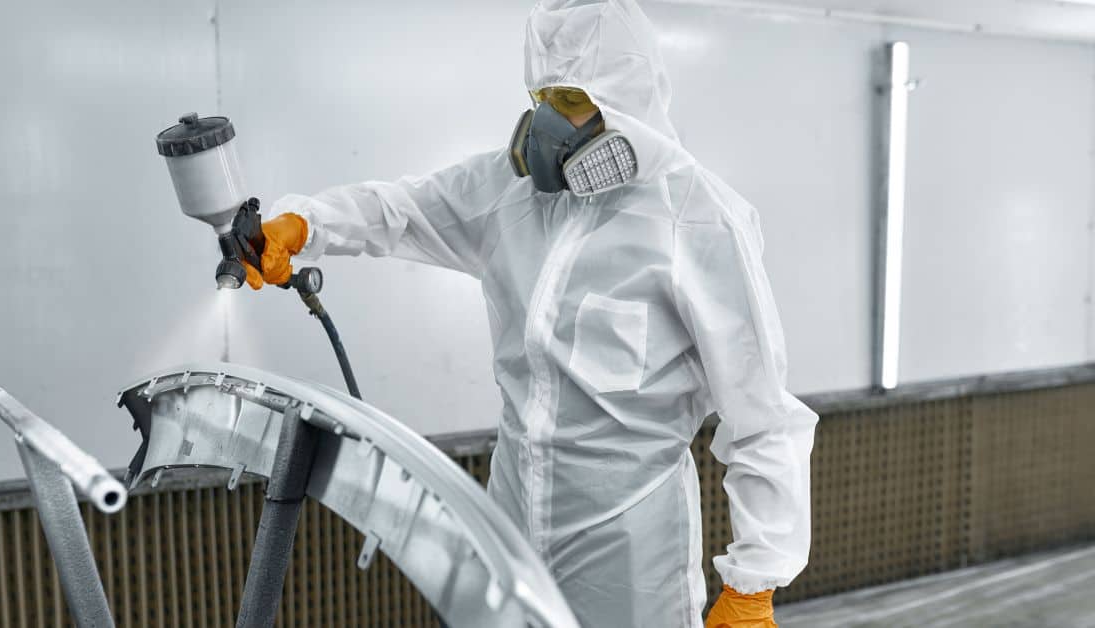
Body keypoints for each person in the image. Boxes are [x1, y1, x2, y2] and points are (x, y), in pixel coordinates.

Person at [245, 1, 817, 626]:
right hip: (510, 532)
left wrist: (754, 581)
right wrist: (305, 226)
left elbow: (762, 416)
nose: (547, 121)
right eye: (540, 94)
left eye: (570, 98)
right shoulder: (509, 193)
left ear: (626, 100)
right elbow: (402, 209)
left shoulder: (697, 219)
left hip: (630, 557)